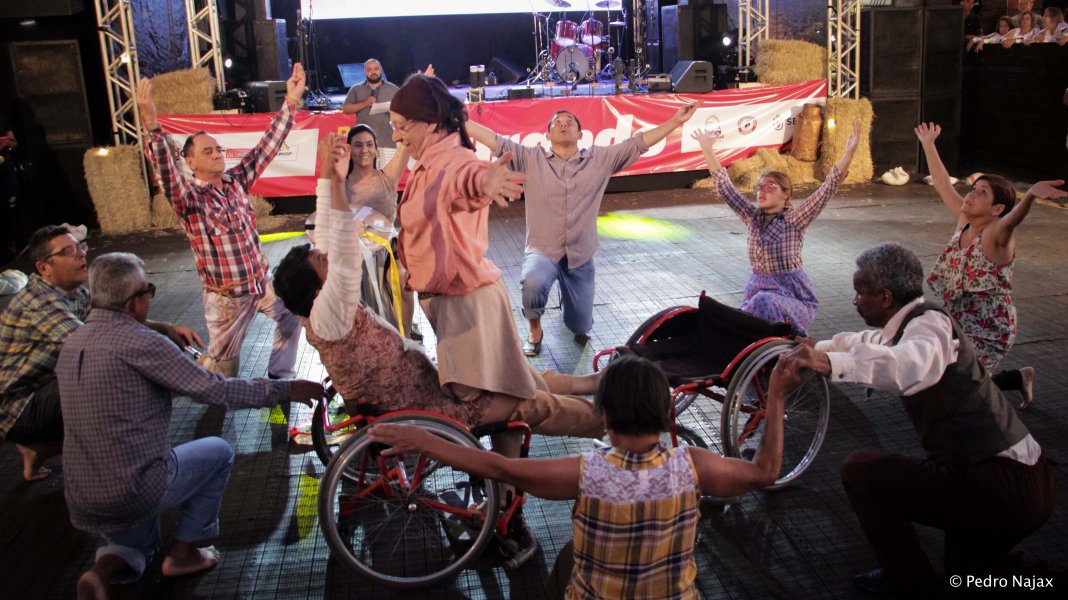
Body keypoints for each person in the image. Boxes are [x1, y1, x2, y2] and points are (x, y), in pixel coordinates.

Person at [389, 74, 611, 556]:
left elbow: (467, 182)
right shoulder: (429, 159)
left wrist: (486, 181)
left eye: (401, 124)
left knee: (504, 406)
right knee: (512, 397)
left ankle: (610, 421)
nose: (395, 134)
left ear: (427, 123)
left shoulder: (452, 161)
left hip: (469, 306)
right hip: (458, 305)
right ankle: (506, 516)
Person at [369, 354, 793, 600]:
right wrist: (774, 395)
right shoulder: (694, 465)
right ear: (665, 415)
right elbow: (765, 471)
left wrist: (423, 440)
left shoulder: (587, 473)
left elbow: (495, 466)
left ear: (605, 416)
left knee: (570, 561)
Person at [274, 133, 601, 434]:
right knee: (526, 402)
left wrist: (327, 172)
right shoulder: (330, 316)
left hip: (422, 385)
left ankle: (591, 384)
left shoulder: (319, 316)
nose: (325, 255)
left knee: (511, 375)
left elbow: (329, 234)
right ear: (318, 290)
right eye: (320, 261)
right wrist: (337, 182)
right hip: (430, 407)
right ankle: (613, 422)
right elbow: (343, 249)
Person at [784, 243, 1055, 594]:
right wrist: (817, 348)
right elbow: (866, 342)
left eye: (859, 293)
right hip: (1013, 478)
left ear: (885, 297)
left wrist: (829, 364)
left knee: (862, 472)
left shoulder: (930, 325)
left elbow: (906, 366)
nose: (854, 301)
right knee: (967, 574)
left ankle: (908, 582)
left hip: (1002, 484)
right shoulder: (908, 323)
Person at [56, 252, 323, 600]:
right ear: (135, 301)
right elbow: (214, 389)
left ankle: (100, 573)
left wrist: (163, 330)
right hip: (133, 488)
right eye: (149, 290)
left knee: (139, 539)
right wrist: (283, 389)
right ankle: (183, 553)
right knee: (218, 452)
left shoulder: (72, 342)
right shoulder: (142, 343)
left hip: (82, 495)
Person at [465, 103, 698, 356]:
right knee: (532, 282)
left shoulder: (599, 159)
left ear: (580, 134)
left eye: (569, 122)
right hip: (543, 250)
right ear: (547, 136)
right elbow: (493, 140)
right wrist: (454, 118)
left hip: (580, 254)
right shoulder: (529, 159)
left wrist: (675, 122)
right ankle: (534, 329)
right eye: (557, 122)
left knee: (580, 327)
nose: (563, 124)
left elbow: (638, 143)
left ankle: (571, 304)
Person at [137, 65, 307, 379]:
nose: (217, 154)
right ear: (190, 162)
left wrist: (291, 100)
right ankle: (204, 368)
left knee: (292, 315)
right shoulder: (189, 198)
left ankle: (281, 376)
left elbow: (266, 146)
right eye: (208, 151)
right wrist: (151, 125)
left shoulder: (236, 181)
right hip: (227, 299)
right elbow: (166, 173)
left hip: (261, 284)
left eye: (218, 149)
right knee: (224, 371)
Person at [0, 226, 200, 481]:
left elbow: (111, 321)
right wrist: (181, 375)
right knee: (111, 382)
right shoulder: (40, 303)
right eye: (68, 251)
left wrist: (167, 329)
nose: (80, 255)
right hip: (17, 406)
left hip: (43, 388)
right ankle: (117, 463)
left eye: (80, 247)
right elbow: (97, 346)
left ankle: (38, 449)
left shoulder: (76, 292)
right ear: (44, 268)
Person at [916, 122, 1067, 408]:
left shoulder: (996, 234)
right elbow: (943, 183)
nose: (971, 195)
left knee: (959, 388)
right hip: (958, 321)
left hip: (988, 327)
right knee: (957, 382)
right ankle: (1018, 379)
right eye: (973, 189)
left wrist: (1031, 195)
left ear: (997, 209)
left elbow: (1013, 220)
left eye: (982, 193)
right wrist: (928, 144)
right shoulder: (965, 223)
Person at [692, 120, 862, 335]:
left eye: (769, 187)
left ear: (785, 193)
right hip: (758, 292)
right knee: (738, 315)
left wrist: (849, 153)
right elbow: (725, 186)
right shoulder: (752, 218)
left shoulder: (795, 219)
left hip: (791, 297)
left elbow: (827, 188)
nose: (761, 192)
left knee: (762, 302)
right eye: (759, 188)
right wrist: (707, 147)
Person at [342, 124, 419, 337]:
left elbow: (404, 145)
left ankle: (404, 339)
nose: (364, 150)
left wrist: (403, 121)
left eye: (369, 145)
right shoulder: (340, 183)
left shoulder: (387, 176)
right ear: (349, 149)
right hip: (354, 252)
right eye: (358, 145)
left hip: (387, 248)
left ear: (376, 148)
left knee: (403, 284)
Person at [342, 58, 401, 167]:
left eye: (376, 69)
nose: (373, 72)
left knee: (388, 179)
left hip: (388, 143)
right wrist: (365, 103)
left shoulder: (393, 89)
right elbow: (346, 109)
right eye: (369, 69)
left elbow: (404, 109)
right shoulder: (356, 89)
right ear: (364, 71)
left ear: (381, 70)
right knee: (366, 179)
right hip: (364, 146)